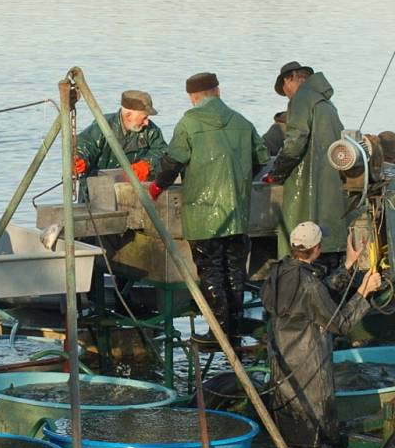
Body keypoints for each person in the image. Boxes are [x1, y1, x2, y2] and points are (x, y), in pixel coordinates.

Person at [149, 72, 269, 347]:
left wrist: (157, 187)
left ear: (192, 97)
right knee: (235, 271)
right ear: (218, 91)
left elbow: (173, 162)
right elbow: (262, 158)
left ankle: (218, 333)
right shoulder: (241, 121)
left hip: (203, 217)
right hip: (237, 215)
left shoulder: (189, 122)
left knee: (211, 271)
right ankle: (234, 331)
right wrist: (239, 179)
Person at [261, 221, 381, 448]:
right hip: (311, 372)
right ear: (316, 248)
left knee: (292, 437)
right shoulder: (310, 284)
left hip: (284, 368)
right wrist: (363, 292)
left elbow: (315, 298)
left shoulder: (277, 273)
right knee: (320, 444)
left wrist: (347, 265)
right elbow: (342, 323)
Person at [265, 61, 347, 262]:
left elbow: (294, 144)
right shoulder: (326, 103)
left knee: (302, 239)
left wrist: (277, 173)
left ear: (290, 79)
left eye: (285, 91)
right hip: (330, 185)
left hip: (307, 189)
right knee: (327, 242)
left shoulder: (301, 98)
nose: (287, 96)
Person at [74, 89, 167, 194]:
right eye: (144, 117)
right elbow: (85, 144)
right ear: (128, 116)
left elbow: (163, 151)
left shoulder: (151, 130)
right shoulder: (103, 126)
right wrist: (80, 159)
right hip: (96, 192)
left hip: (132, 193)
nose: (146, 122)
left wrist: (148, 163)